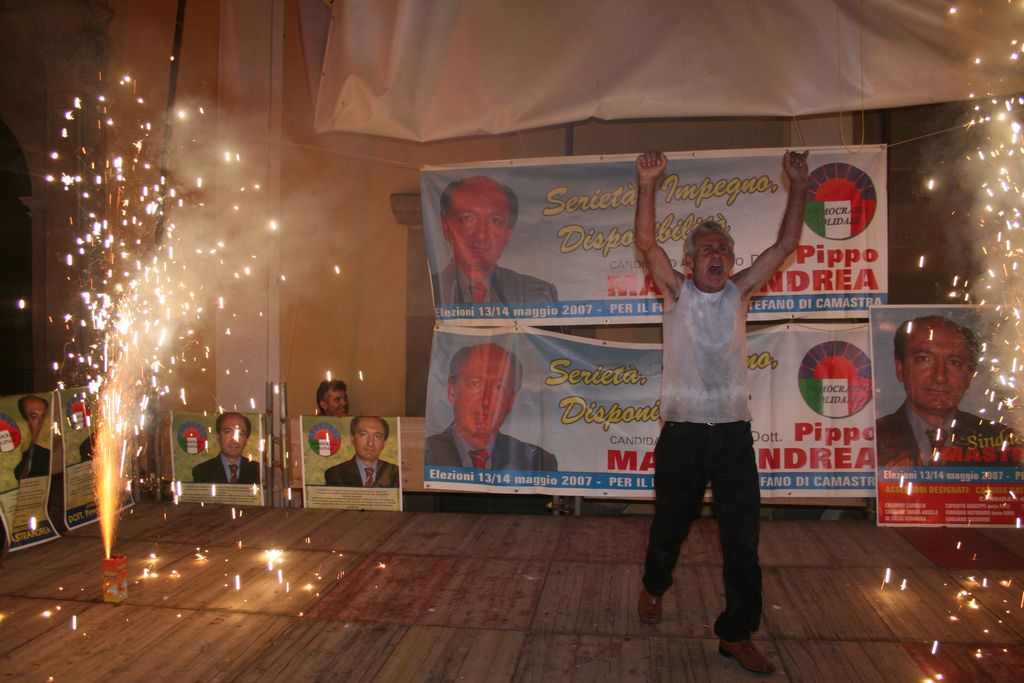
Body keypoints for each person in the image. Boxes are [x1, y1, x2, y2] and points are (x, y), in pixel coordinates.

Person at [633, 150, 809, 674]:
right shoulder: (676, 292)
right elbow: (647, 245)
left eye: (724, 249)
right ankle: (654, 585)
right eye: (707, 249)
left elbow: (785, 246)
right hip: (683, 437)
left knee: (742, 543)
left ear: (732, 261)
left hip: (733, 438)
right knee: (669, 531)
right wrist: (648, 183)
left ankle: (735, 633)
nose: (717, 255)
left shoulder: (740, 292)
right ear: (689, 263)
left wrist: (798, 185)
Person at [876, 315, 1017, 467]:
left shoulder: (1003, 441)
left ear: (969, 376)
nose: (940, 377)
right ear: (900, 368)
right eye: (924, 359)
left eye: (954, 362)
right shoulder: (872, 437)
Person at [425, 342, 558, 471]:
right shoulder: (424, 454)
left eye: (498, 387)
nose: (485, 402)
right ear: (452, 391)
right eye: (475, 384)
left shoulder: (538, 463)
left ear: (511, 401)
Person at [431, 176, 558, 305]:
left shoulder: (539, 294)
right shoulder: (428, 291)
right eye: (466, 218)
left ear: (508, 233)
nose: (481, 235)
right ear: (445, 226)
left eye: (495, 221)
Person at [324, 416, 399, 487]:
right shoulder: (335, 474)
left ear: (384, 443)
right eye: (363, 434)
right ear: (352, 438)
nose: (370, 443)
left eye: (377, 436)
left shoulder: (396, 473)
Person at [191, 412, 260, 484]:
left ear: (246, 440)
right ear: (218, 436)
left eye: (240, 434)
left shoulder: (258, 471)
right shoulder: (202, 471)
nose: (234, 440)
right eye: (228, 432)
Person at [13, 394, 51, 480]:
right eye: (34, 417)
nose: (40, 422)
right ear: (24, 421)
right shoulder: (18, 456)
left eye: (43, 416)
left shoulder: (49, 455)